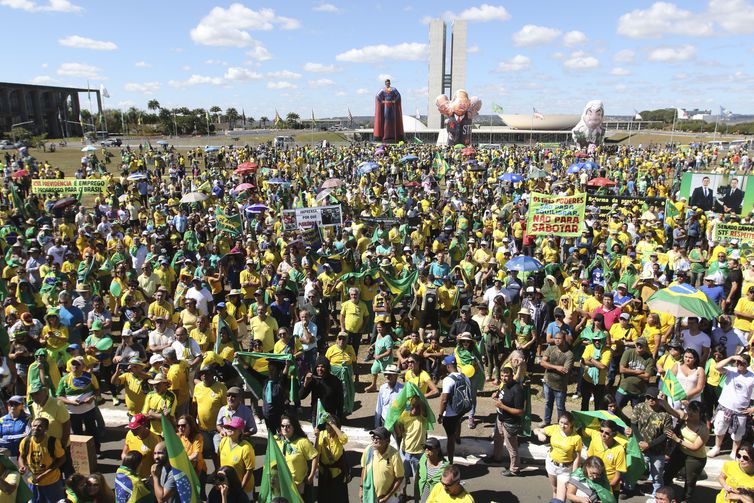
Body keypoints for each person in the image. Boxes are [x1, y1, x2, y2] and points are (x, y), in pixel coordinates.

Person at [630, 386, 673, 498]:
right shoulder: (639, 407)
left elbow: (666, 434)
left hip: (658, 451)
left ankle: (658, 496)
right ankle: (629, 489)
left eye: (653, 398)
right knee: (634, 471)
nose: (650, 400)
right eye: (648, 397)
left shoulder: (665, 414)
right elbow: (634, 425)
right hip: (640, 448)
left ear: (659, 399)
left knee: (657, 475)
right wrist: (641, 442)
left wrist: (649, 445)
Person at [708, 353, 754, 459]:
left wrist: (753, 409)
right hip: (725, 406)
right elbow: (717, 367)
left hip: (741, 410)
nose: (739, 365)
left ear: (747, 364)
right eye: (738, 362)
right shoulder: (731, 370)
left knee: (738, 433)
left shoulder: (752, 377)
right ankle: (717, 447)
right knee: (719, 428)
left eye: (742, 363)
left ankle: (734, 451)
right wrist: (731, 358)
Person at [663, 401, 709, 503]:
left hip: (696, 458)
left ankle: (685, 500)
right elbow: (670, 410)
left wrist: (677, 439)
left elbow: (695, 447)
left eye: (694, 411)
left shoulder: (703, 429)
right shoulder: (684, 417)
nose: (690, 413)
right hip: (681, 452)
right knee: (668, 473)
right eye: (690, 410)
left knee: (689, 482)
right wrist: (662, 401)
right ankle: (663, 495)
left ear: (700, 414)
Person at [534, 411, 582, 499]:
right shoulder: (555, 428)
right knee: (555, 490)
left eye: (566, 424)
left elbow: (577, 457)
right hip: (551, 464)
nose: (562, 426)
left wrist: (574, 474)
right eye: (561, 422)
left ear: (571, 424)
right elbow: (536, 429)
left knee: (562, 496)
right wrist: (539, 434)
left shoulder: (576, 438)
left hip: (566, 469)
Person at [19, 417, 66, 503]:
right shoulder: (26, 441)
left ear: (46, 429)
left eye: (40, 426)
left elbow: (62, 459)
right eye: (34, 425)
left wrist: (44, 475)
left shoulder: (52, 442)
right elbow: (22, 456)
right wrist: (22, 466)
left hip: (52, 483)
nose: (36, 428)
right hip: (33, 483)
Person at [490, 366, 525, 476]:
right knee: (498, 439)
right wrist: (496, 395)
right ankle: (497, 458)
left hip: (510, 422)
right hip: (500, 418)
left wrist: (503, 406)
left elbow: (520, 411)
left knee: (511, 446)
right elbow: (502, 395)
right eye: (502, 376)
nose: (504, 378)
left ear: (512, 376)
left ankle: (514, 469)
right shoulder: (504, 385)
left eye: (506, 376)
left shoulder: (517, 389)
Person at [275, 414, 318, 501]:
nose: (284, 428)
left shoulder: (302, 442)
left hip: (298, 484)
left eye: (288, 426)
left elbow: (314, 456)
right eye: (282, 426)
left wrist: (311, 475)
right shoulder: (277, 441)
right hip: (282, 482)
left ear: (294, 427)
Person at [438, 355, 470, 464]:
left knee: (449, 438)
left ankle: (450, 461)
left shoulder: (448, 380)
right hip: (461, 409)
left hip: (450, 413)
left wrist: (440, 414)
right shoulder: (465, 376)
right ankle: (458, 438)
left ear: (448, 366)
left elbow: (444, 399)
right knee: (459, 421)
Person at [360, 426, 404, 503]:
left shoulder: (394, 455)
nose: (374, 441)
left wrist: (387, 497)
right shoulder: (368, 450)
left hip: (389, 498)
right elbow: (364, 469)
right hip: (370, 495)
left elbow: (399, 477)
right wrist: (361, 488)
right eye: (373, 438)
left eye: (377, 438)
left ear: (387, 441)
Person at [540, 331, 573, 426]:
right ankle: (546, 421)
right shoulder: (550, 349)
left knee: (560, 407)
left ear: (564, 339)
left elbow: (565, 369)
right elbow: (542, 363)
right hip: (548, 381)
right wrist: (557, 367)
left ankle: (561, 424)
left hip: (560, 385)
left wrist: (549, 365)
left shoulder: (569, 354)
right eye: (556, 338)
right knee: (548, 403)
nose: (557, 340)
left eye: (559, 338)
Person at [218, 417, 255, 500]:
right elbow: (218, 459)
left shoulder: (246, 448)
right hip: (226, 485)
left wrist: (240, 488)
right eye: (228, 427)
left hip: (243, 488)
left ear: (240, 431)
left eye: (233, 427)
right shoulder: (223, 441)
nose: (229, 429)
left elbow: (249, 471)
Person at [314, 415, 349, 503]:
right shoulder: (322, 434)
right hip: (324, 471)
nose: (329, 427)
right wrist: (317, 437)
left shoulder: (339, 435)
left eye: (331, 425)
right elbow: (316, 451)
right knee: (324, 497)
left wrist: (334, 425)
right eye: (327, 424)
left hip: (337, 473)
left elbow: (344, 440)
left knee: (338, 498)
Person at [300, 357, 344, 425]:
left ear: (327, 368)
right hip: (316, 416)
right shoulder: (313, 380)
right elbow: (301, 396)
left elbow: (340, 402)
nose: (320, 369)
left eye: (323, 367)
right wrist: (306, 383)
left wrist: (339, 419)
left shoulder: (335, 381)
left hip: (330, 417)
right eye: (318, 366)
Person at [121, 413, 160, 479]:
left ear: (144, 425)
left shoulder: (155, 440)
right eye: (131, 428)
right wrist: (126, 463)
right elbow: (124, 452)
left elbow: (158, 462)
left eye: (136, 428)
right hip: (132, 476)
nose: (133, 431)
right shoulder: (130, 434)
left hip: (147, 478)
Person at [416, 437, 449, 503]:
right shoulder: (423, 459)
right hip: (424, 491)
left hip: (438, 496)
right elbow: (418, 477)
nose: (426, 450)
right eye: (425, 447)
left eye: (430, 448)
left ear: (437, 450)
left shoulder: (445, 467)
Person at [373, 78, 404, 143]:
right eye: (386, 83)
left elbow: (398, 95)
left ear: (390, 83)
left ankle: (393, 135)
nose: (388, 84)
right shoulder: (383, 89)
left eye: (388, 83)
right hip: (386, 105)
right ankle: (386, 135)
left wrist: (395, 101)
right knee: (386, 119)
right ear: (385, 83)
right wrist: (382, 101)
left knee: (393, 119)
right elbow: (378, 96)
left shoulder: (393, 89)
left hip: (392, 106)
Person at [374, 364, 403, 429]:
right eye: (385, 374)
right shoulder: (382, 388)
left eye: (390, 374)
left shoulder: (402, 390)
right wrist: (377, 425)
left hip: (397, 423)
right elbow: (379, 406)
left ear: (396, 376)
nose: (387, 376)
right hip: (384, 422)